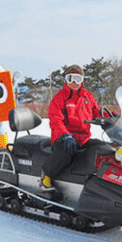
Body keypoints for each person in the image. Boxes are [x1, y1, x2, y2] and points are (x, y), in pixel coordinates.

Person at [41, 64, 103, 195]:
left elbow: (97, 113)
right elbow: (56, 120)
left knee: (103, 147)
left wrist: (111, 117)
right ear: (65, 80)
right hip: (64, 138)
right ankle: (46, 176)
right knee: (66, 151)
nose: (74, 83)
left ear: (83, 80)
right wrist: (65, 135)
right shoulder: (59, 98)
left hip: (83, 138)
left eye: (78, 79)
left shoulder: (88, 97)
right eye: (71, 78)